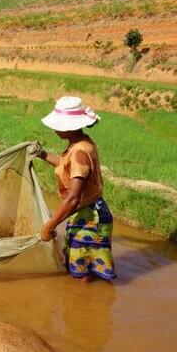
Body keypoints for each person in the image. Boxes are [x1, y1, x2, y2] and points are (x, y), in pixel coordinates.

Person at [35, 96, 115, 282]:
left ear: (68, 127)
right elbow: (65, 165)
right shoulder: (79, 144)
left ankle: (84, 307)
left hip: (90, 219)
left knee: (83, 274)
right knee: (80, 266)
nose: (54, 129)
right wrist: (43, 154)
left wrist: (49, 225)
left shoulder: (80, 152)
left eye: (58, 125)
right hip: (85, 213)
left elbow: (73, 198)